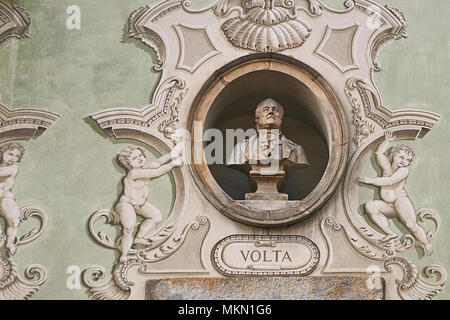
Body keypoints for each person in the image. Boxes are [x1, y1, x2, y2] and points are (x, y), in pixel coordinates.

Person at [359, 131, 433, 255]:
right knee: (370, 207)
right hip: (389, 206)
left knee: (411, 225)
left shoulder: (404, 171)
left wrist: (369, 180)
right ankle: (390, 233)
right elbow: (379, 154)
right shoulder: (387, 167)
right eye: (402, 157)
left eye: (408, 160)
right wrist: (387, 141)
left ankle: (426, 243)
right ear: (393, 155)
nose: (404, 161)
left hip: (401, 202)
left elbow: (389, 181)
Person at [115, 145, 182, 263]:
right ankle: (124, 254)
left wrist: (172, 154)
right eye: (135, 158)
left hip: (140, 204)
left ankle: (139, 238)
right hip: (127, 204)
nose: (140, 158)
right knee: (129, 227)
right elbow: (156, 172)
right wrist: (173, 164)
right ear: (128, 163)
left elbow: (157, 163)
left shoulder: (142, 169)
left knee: (156, 216)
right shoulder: (134, 173)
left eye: (140, 155)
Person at [227, 98, 309, 168]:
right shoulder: (240, 149)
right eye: (266, 109)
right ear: (257, 118)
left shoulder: (297, 151)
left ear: (281, 117)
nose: (271, 112)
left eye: (275, 110)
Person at [0, 142, 25, 256]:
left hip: (5, 198)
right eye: (10, 154)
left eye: (16, 156)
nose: (13, 158)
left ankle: (9, 243)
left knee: (14, 220)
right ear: (2, 152)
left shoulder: (13, 168)